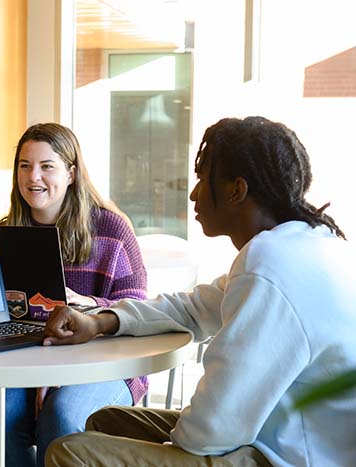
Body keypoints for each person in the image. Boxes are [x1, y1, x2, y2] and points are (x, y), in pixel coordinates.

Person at [43, 116, 356, 467]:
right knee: (107, 422)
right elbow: (192, 308)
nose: (192, 194)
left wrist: (169, 445)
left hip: (282, 457)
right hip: (273, 433)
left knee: (68, 451)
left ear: (236, 190)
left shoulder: (269, 266)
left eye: (203, 179)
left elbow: (213, 431)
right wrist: (101, 321)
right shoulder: (301, 245)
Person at [0, 122, 148, 467]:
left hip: (108, 363)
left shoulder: (111, 229)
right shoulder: (7, 231)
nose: (33, 176)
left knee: (62, 414)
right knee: (1, 414)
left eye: (46, 166)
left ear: (71, 173)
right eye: (24, 165)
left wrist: (86, 306)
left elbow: (138, 309)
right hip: (29, 360)